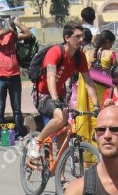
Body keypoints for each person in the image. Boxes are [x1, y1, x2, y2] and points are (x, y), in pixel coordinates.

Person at [28, 24, 98, 160]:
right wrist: (55, 99)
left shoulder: (79, 57)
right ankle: (37, 142)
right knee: (61, 117)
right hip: (42, 95)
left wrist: (97, 105)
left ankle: (60, 174)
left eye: (82, 36)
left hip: (59, 96)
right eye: (77, 36)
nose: (81, 39)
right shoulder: (55, 52)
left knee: (63, 133)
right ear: (67, 38)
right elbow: (51, 76)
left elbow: (89, 82)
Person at [0, 16, 31, 136]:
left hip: (15, 76)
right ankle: (1, 134)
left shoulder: (10, 36)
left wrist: (17, 24)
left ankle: (19, 133)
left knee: (17, 109)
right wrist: (9, 29)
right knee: (0, 110)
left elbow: (28, 34)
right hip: (0, 78)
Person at [74, 30, 117, 146]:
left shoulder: (88, 53)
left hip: (90, 89)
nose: (111, 46)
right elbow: (116, 72)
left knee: (92, 115)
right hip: (105, 89)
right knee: (104, 115)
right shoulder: (110, 53)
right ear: (108, 42)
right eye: (111, 43)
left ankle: (89, 149)